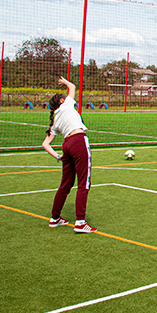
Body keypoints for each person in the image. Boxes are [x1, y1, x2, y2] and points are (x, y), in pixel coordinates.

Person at [41, 77, 96, 233]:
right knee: (84, 183)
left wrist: (58, 156)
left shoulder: (55, 119)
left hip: (67, 145)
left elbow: (45, 144)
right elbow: (72, 86)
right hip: (78, 141)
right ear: (61, 101)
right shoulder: (66, 105)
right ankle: (80, 222)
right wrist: (64, 82)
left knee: (66, 184)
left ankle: (55, 218)